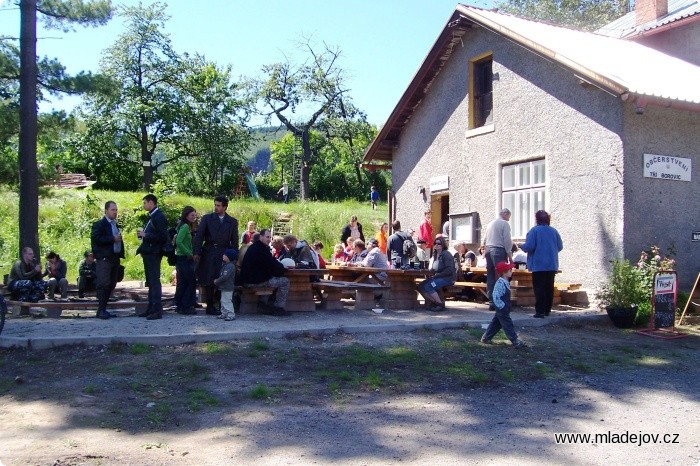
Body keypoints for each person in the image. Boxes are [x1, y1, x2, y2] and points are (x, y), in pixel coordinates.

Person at [193, 195, 239, 316]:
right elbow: (199, 236)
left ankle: (221, 305)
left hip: (224, 252)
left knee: (223, 278)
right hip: (209, 251)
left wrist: (234, 257)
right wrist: (197, 252)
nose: (216, 207)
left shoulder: (232, 221)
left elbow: (234, 241)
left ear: (225, 207)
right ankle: (210, 305)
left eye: (218, 205)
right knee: (209, 279)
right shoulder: (207, 218)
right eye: (215, 205)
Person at [521, 210, 564, 318]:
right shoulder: (554, 231)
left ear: (537, 219)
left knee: (539, 288)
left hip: (538, 265)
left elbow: (529, 247)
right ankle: (547, 310)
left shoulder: (534, 231)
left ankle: (540, 311)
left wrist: (521, 245)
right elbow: (560, 247)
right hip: (551, 264)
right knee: (549, 288)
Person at [239, 228, 290, 316]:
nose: (269, 239)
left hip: (248, 279)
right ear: (261, 237)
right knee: (285, 281)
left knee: (269, 278)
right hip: (254, 281)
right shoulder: (261, 249)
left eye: (270, 237)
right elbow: (272, 264)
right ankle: (278, 308)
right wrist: (282, 268)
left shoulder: (255, 247)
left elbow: (269, 264)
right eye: (267, 237)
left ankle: (263, 305)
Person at [136, 194, 169, 320]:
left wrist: (146, 235)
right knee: (150, 282)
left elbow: (162, 236)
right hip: (148, 252)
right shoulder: (151, 216)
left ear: (151, 203)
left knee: (154, 282)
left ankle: (156, 309)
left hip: (154, 253)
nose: (144, 205)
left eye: (145, 203)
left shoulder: (159, 216)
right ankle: (151, 308)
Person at [91, 201, 125, 319]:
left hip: (114, 258)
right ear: (106, 211)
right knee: (104, 283)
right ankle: (101, 310)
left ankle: (104, 309)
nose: (115, 212)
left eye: (116, 210)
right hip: (104, 258)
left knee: (112, 283)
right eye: (112, 210)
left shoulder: (115, 224)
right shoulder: (99, 224)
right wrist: (112, 239)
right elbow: (96, 239)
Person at [480, 261, 525, 347]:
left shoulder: (505, 282)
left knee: (496, 323)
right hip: (502, 308)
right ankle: (515, 340)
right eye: (510, 270)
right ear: (504, 272)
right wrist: (502, 306)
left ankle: (486, 337)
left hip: (504, 308)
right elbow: (496, 296)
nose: (511, 271)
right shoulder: (500, 283)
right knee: (507, 324)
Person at [482, 208, 513, 307]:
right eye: (508, 216)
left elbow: (485, 239)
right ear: (505, 214)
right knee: (501, 276)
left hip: (488, 249)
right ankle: (501, 301)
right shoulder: (504, 224)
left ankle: (492, 301)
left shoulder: (490, 223)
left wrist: (484, 249)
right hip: (499, 250)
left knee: (490, 276)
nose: (508, 219)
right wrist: (509, 255)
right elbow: (507, 240)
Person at [417, 236, 455, 312]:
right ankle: (433, 302)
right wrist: (428, 272)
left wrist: (437, 275)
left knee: (429, 286)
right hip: (437, 277)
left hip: (447, 278)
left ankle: (440, 304)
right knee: (420, 286)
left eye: (438, 243)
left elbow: (449, 269)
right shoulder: (435, 255)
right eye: (435, 243)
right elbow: (434, 268)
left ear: (443, 245)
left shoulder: (446, 254)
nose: (436, 245)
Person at [174, 206, 198, 315]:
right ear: (186, 215)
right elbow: (179, 241)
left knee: (183, 283)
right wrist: (189, 253)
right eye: (192, 215)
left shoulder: (185, 226)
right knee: (191, 282)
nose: (194, 217)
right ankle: (186, 305)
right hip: (184, 258)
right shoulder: (184, 227)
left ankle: (180, 305)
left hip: (181, 258)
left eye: (195, 215)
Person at [214, 249, 237, 321]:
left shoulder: (230, 266)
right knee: (223, 300)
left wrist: (217, 281)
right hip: (224, 287)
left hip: (228, 287)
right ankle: (224, 313)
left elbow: (225, 276)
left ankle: (231, 314)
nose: (223, 256)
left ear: (229, 257)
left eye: (225, 255)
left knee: (227, 301)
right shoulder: (225, 265)